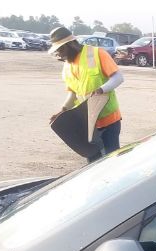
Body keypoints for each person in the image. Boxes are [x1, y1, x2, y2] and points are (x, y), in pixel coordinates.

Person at [48, 26, 124, 161]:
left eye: (60, 49)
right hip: (88, 124)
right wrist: (62, 111)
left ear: (70, 45)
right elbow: (73, 94)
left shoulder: (96, 54)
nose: (59, 54)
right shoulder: (67, 66)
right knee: (93, 163)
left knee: (112, 161)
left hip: (108, 120)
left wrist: (101, 89)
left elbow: (118, 78)